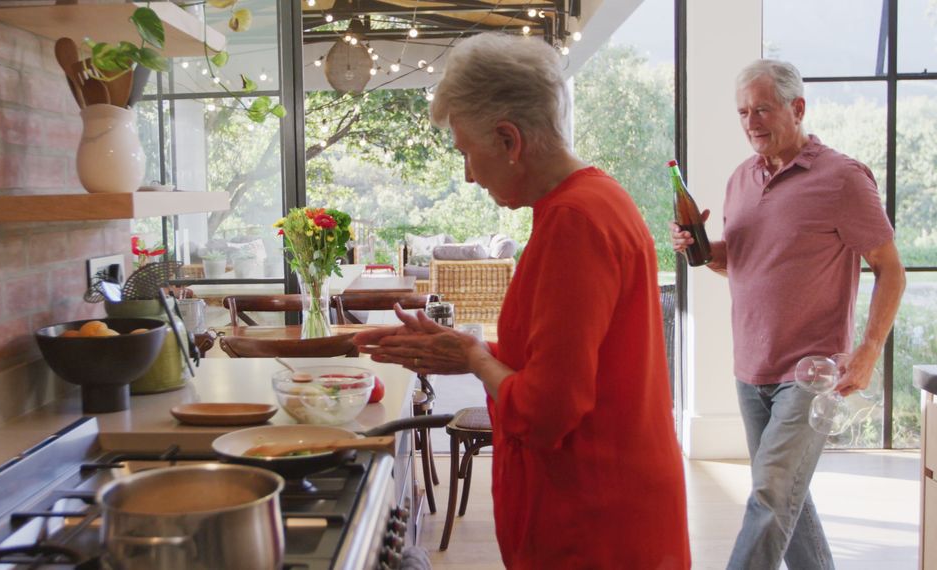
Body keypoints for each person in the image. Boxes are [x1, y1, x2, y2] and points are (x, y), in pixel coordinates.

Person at [353, 32, 690, 569]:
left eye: (467, 151)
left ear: (509, 140)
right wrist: (468, 346)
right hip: (615, 503)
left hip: (590, 524)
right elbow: (559, 356)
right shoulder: (598, 200)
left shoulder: (573, 222)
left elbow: (548, 410)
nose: (467, 173)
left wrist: (471, 357)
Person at [671, 59, 906, 569]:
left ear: (797, 108)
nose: (751, 121)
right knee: (787, 501)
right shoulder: (740, 180)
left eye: (762, 109)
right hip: (750, 369)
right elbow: (741, 262)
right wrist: (702, 248)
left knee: (770, 498)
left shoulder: (842, 179)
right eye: (742, 112)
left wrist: (867, 349)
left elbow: (891, 269)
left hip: (811, 372)